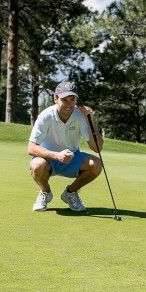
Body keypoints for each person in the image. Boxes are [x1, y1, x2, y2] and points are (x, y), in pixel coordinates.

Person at [28, 80, 104, 214]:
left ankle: (70, 193)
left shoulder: (81, 116)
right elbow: (31, 148)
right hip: (48, 159)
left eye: (72, 99)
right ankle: (45, 193)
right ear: (55, 99)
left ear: (76, 100)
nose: (69, 104)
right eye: (64, 99)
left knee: (96, 164)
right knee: (36, 165)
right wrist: (56, 155)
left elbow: (97, 148)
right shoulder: (46, 116)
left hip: (72, 158)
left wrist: (90, 120)